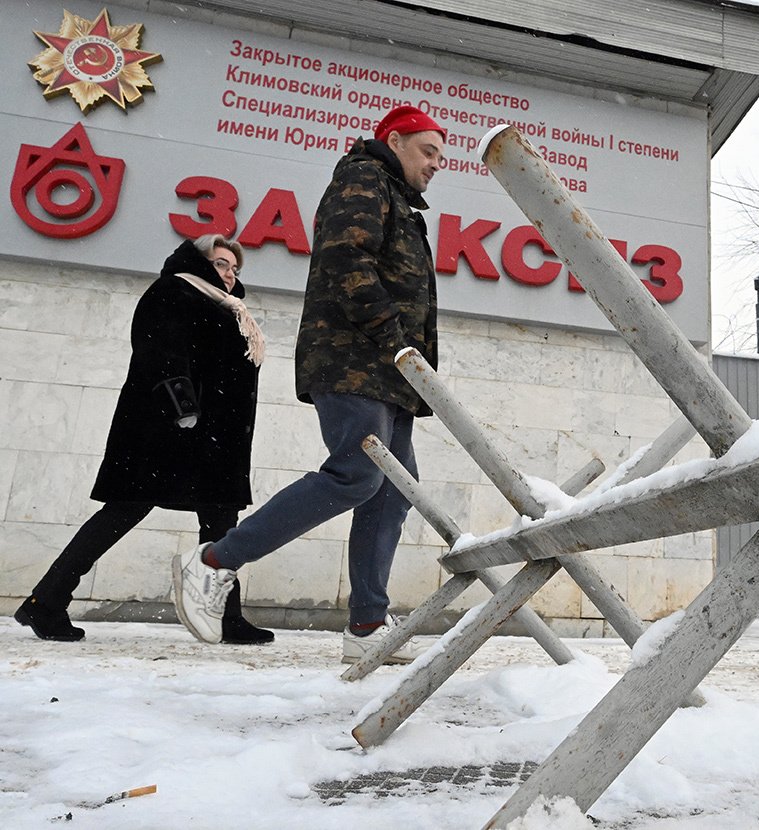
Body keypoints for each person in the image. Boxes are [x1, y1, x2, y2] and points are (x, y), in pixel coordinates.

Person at [173, 105, 445, 664]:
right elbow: (348, 259)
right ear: (395, 141)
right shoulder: (365, 178)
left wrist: (410, 362)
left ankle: (367, 624)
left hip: (387, 370)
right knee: (356, 475)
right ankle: (214, 561)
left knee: (394, 490)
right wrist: (394, 339)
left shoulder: (398, 200)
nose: (437, 163)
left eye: (441, 155)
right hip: (355, 358)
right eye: (428, 151)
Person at [15, 235, 272, 645]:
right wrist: (182, 406)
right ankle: (46, 601)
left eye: (235, 269)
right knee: (124, 510)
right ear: (199, 262)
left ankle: (226, 615)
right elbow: (160, 351)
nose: (230, 274)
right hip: (166, 430)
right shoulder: (174, 290)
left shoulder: (226, 308)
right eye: (222, 264)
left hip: (214, 439)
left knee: (221, 523)